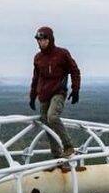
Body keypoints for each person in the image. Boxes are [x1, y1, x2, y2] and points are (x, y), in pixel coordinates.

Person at [29, 26, 81, 158]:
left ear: (50, 39)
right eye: (39, 40)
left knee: (52, 117)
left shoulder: (62, 54)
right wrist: (32, 96)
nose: (41, 42)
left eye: (44, 39)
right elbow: (36, 77)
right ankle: (57, 156)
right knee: (46, 122)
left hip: (58, 91)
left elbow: (75, 71)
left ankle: (68, 146)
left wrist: (75, 90)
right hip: (44, 94)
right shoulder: (38, 58)